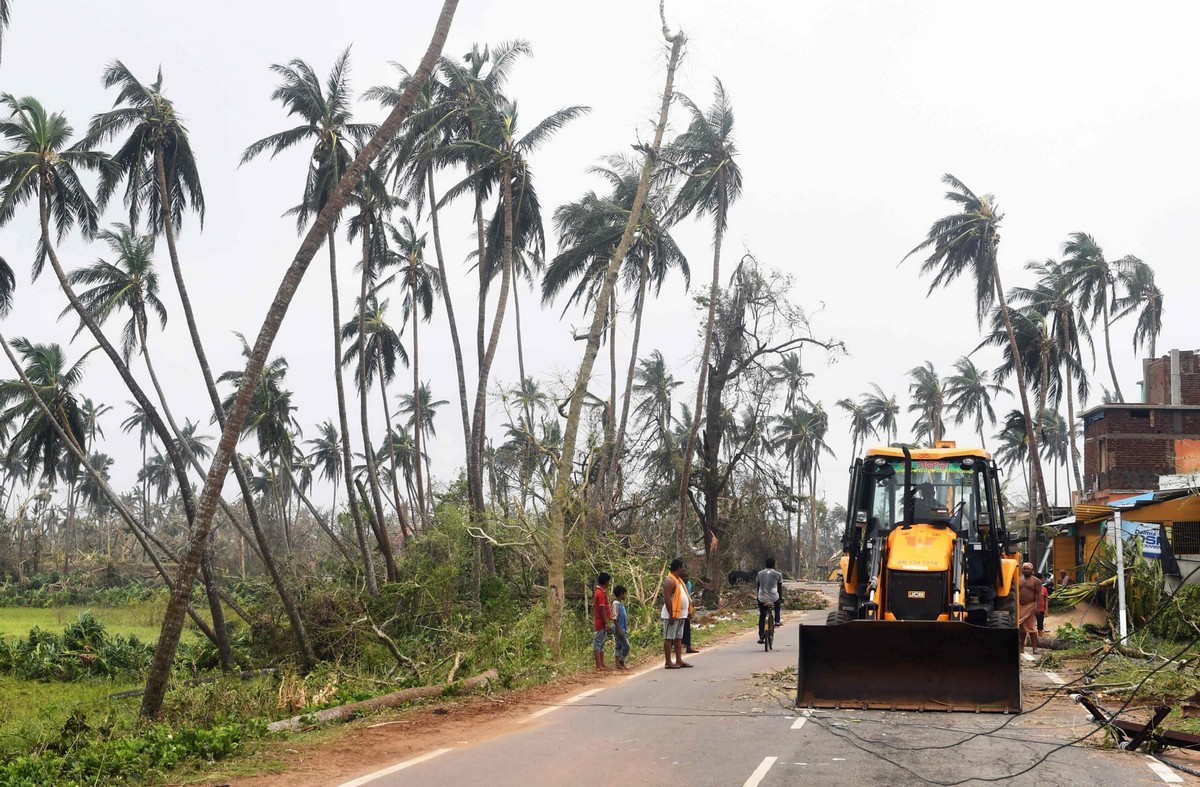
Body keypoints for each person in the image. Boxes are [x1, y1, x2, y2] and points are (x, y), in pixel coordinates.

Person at [661, 558, 693, 669]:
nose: (683, 570)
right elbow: (667, 598)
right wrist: (671, 614)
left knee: (678, 638)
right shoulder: (669, 580)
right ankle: (668, 661)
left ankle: (679, 660)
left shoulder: (679, 580)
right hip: (672, 615)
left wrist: (688, 611)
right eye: (682, 567)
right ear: (678, 568)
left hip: (681, 614)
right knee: (669, 638)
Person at [756, 556, 783, 645]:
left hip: (762, 598)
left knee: (762, 616)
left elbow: (758, 587)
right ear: (774, 565)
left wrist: (758, 597)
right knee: (777, 605)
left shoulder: (759, 574)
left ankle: (761, 636)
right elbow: (779, 588)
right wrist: (781, 598)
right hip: (773, 598)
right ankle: (777, 621)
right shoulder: (778, 574)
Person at [1017, 562, 1041, 655]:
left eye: (1028, 569)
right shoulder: (1018, 579)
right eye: (1024, 569)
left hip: (1031, 606)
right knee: (1021, 629)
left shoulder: (1036, 581)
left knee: (1031, 628)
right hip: (1020, 606)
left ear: (1031, 570)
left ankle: (1034, 649)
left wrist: (1038, 607)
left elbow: (1039, 594)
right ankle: (1021, 648)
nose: (1026, 570)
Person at [593, 572, 612, 671]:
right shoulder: (600, 593)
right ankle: (598, 665)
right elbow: (602, 608)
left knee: (602, 642)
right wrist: (606, 622)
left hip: (603, 621)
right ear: (606, 582)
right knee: (598, 642)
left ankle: (602, 663)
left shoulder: (602, 591)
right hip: (601, 622)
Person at [612, 585, 630, 671]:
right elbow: (614, 618)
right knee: (626, 646)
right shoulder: (616, 605)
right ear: (621, 594)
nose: (626, 595)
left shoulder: (621, 605)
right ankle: (621, 661)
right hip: (620, 629)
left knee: (618, 646)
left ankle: (617, 663)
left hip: (623, 629)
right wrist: (619, 629)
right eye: (625, 594)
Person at [682, 568, 699, 654]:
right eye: (684, 576)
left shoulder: (688, 584)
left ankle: (688, 646)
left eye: (687, 576)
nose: (686, 578)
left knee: (687, 627)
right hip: (678, 609)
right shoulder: (678, 584)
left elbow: (688, 596)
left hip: (686, 608)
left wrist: (690, 610)